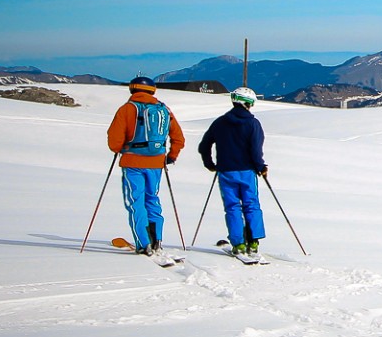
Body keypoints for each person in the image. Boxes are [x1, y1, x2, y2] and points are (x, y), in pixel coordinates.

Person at [105, 76, 185, 264]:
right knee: (152, 199)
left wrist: (122, 149)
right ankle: (156, 240)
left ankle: (143, 243)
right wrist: (171, 156)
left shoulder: (126, 109)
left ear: (133, 89)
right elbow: (178, 137)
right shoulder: (164, 110)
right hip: (156, 163)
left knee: (135, 201)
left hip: (132, 163)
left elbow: (114, 141)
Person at [199, 88, 269, 263]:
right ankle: (253, 242)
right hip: (247, 171)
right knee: (251, 205)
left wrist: (210, 164)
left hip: (226, 171)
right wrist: (261, 167)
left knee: (232, 207)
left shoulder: (220, 122)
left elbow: (204, 145)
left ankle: (238, 244)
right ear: (249, 103)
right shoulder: (253, 124)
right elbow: (255, 150)